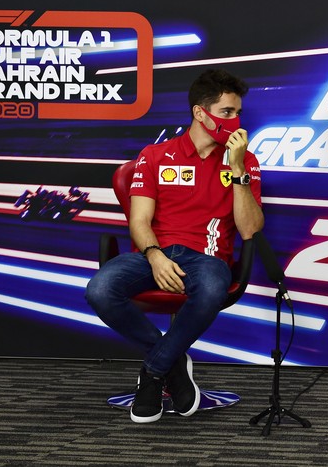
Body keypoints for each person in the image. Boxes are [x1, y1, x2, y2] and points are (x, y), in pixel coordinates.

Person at [85, 69, 264, 423]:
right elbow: (139, 221)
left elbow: (249, 230)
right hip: (154, 254)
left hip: (207, 258)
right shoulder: (154, 155)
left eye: (237, 112)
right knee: (100, 289)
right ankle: (172, 363)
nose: (236, 120)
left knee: (213, 286)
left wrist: (238, 168)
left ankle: (154, 371)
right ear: (201, 113)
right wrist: (154, 257)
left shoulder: (244, 162)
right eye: (227, 112)